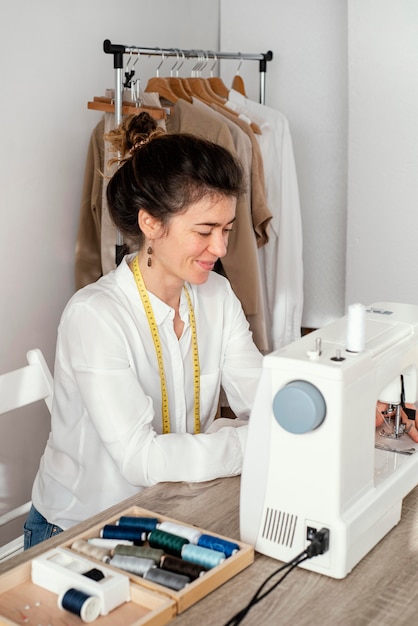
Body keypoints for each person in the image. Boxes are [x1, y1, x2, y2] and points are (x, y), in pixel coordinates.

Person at [23, 112, 263, 549]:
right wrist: (251, 442)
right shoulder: (95, 316)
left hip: (175, 508)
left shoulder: (217, 296)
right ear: (151, 223)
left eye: (227, 230)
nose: (221, 248)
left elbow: (263, 398)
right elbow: (141, 459)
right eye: (205, 231)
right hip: (82, 532)